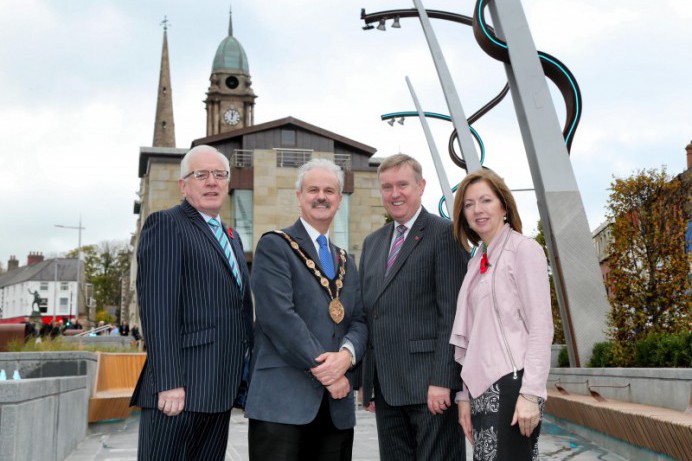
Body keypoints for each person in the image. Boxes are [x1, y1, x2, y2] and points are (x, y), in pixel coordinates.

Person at [130, 145, 253, 460]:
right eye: (201, 175)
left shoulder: (232, 237)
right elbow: (158, 309)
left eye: (219, 175)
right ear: (183, 185)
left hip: (219, 391)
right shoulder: (167, 224)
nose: (211, 181)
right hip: (178, 392)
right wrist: (169, 382)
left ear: (228, 183)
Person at [245, 158, 368, 461]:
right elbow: (279, 318)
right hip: (282, 406)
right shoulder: (275, 246)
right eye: (313, 189)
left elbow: (360, 320)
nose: (321, 196)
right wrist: (330, 373)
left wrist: (346, 356)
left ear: (339, 200)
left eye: (329, 190)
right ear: (299, 197)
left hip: (335, 411)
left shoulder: (346, 261)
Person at [359, 153, 468, 460]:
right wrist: (369, 385)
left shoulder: (445, 233)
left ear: (421, 186)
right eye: (387, 187)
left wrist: (443, 380)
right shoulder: (373, 242)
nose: (395, 194)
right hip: (387, 391)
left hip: (430, 389)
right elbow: (371, 316)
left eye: (402, 185)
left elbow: (454, 315)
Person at [449, 169, 553, 460]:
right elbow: (472, 339)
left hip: (513, 385)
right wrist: (463, 397)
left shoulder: (524, 250)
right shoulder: (476, 262)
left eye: (485, 200)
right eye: (469, 204)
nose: (477, 210)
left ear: (504, 206)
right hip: (482, 389)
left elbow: (541, 327)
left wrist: (531, 394)